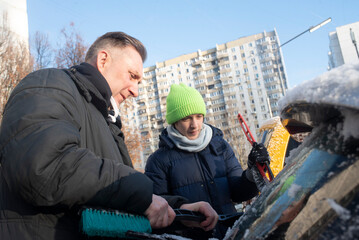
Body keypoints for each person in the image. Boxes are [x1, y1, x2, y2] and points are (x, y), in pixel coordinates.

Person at [0, 32, 218, 240]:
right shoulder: (50, 83)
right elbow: (44, 165)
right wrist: (140, 196)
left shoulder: (108, 123)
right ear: (103, 60)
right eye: (132, 76)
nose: (135, 91)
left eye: (139, 82)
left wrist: (178, 209)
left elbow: (114, 197)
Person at [145, 83, 271, 239]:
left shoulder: (220, 146)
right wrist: (186, 212)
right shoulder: (158, 161)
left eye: (199, 116)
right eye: (186, 118)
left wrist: (252, 174)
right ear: (174, 121)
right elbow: (157, 206)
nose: (194, 125)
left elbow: (239, 193)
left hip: (232, 234)